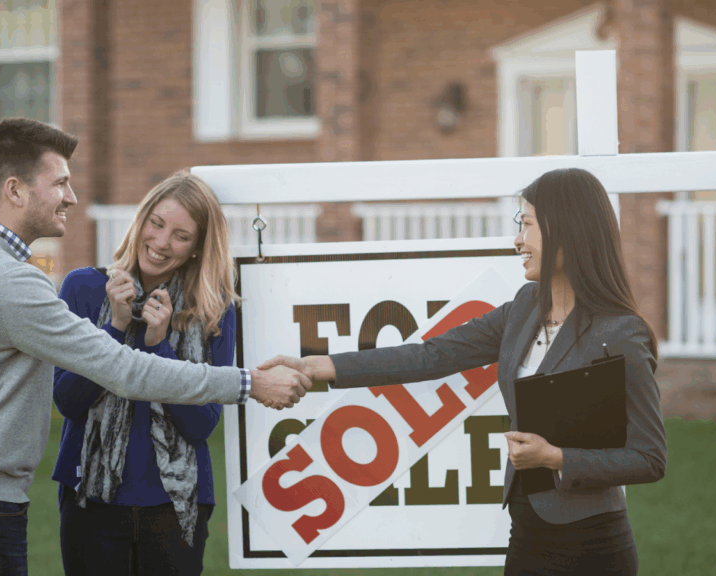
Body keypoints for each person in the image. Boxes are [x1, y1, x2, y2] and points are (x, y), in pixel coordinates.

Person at [0, 117, 310, 576]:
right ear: (15, 190)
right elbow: (111, 376)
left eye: (182, 235)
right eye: (61, 184)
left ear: (196, 247)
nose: (71, 196)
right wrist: (250, 382)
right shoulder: (17, 281)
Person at [260, 167, 666, 575]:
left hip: (593, 546)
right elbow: (429, 356)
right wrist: (322, 365)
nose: (518, 240)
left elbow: (649, 458)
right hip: (527, 533)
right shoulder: (523, 309)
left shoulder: (620, 333)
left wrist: (556, 458)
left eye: (526, 225)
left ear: (567, 231)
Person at [51, 170, 236, 575]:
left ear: (196, 248)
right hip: (91, 499)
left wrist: (158, 345)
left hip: (175, 504)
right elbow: (68, 401)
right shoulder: (82, 288)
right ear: (141, 220)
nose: (162, 242)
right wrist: (114, 330)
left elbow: (201, 425)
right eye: (157, 224)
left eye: (181, 235)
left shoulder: (214, 308)